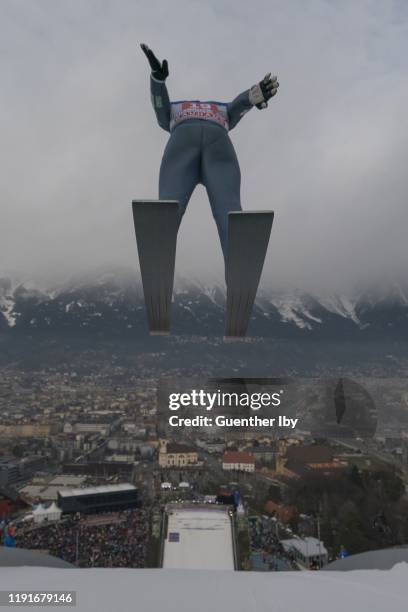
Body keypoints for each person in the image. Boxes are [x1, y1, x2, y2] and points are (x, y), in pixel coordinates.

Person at [141, 43, 279, 260]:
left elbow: (161, 110)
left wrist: (157, 81)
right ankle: (238, 259)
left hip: (182, 138)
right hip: (218, 140)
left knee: (169, 207)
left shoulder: (178, 108)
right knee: (229, 211)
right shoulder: (220, 109)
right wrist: (254, 96)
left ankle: (160, 246)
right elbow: (238, 106)